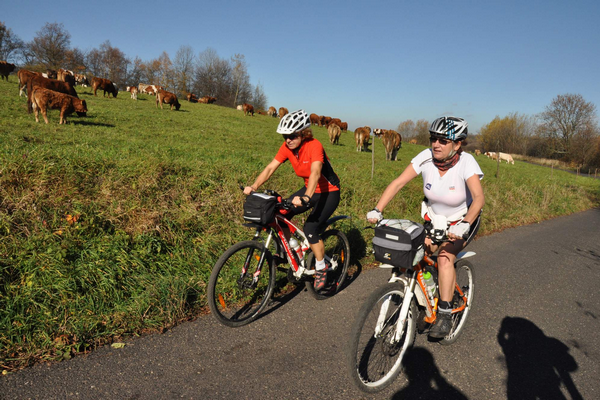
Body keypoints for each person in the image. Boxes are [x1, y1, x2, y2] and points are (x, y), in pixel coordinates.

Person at [367, 116, 484, 338]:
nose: (436, 144)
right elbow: (398, 182)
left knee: (444, 257)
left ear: (457, 144)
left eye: (443, 140)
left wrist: (465, 224)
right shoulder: (426, 158)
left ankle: (446, 313)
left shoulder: (467, 162)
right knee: (417, 256)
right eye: (433, 139)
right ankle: (427, 299)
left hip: (463, 219)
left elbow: (478, 198)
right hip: (434, 219)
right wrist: (377, 209)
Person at [244, 110, 341, 291]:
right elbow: (270, 168)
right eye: (285, 136)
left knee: (310, 228)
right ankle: (293, 249)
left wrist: (306, 197)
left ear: (303, 133)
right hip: (309, 189)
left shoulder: (314, 146)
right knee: (280, 212)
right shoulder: (287, 147)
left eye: (292, 135)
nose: (288, 140)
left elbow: (315, 172)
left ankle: (321, 267)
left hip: (329, 192)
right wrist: (254, 186)